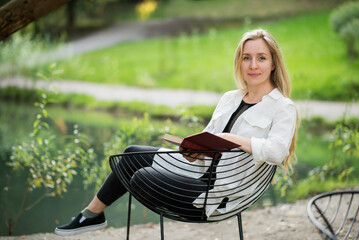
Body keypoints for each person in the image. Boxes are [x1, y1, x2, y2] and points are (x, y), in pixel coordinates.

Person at [55, 28, 298, 236]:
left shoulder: (282, 107)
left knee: (141, 177)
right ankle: (91, 215)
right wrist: (192, 151)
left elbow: (277, 152)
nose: (253, 65)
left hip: (217, 196)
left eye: (261, 58)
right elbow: (208, 139)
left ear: (273, 63)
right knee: (130, 155)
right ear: (239, 62)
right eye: (247, 58)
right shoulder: (230, 98)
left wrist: (232, 140)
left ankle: (93, 216)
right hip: (194, 173)